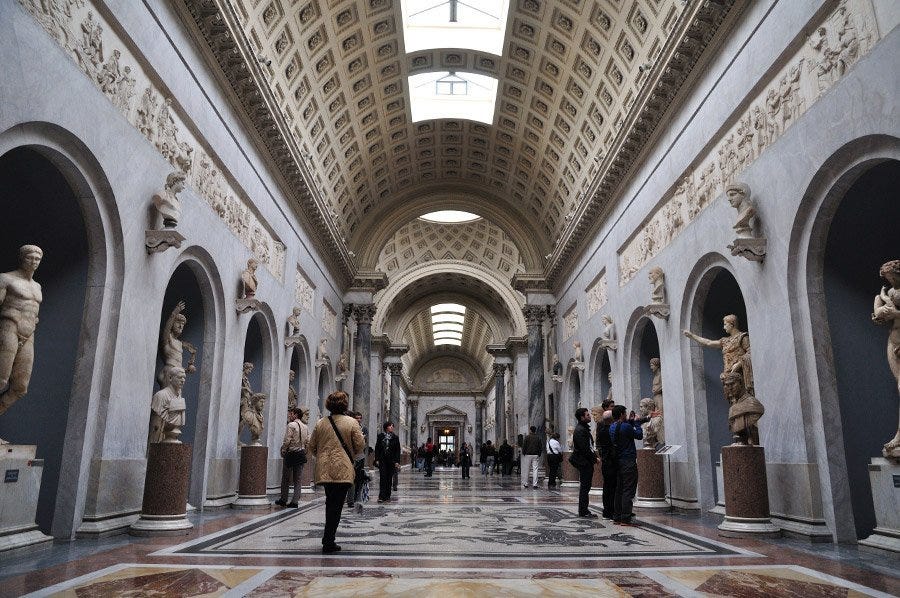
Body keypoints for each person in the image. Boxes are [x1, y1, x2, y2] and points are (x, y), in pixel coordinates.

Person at [307, 390, 365, 553]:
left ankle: (328, 538)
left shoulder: (321, 422)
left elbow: (311, 446)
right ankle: (328, 540)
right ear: (345, 405)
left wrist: (323, 455)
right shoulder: (352, 422)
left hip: (324, 467)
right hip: (343, 467)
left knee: (330, 502)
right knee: (336, 505)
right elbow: (360, 445)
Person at [0, 245, 43, 417]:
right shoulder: (6, 279)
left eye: (37, 259)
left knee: (20, 387)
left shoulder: (37, 287)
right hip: (9, 326)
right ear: (22, 258)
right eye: (29, 258)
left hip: (29, 334)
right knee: (1, 380)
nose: (33, 262)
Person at [610, 404, 643, 526]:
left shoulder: (612, 427)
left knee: (619, 490)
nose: (625, 414)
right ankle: (626, 518)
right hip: (628, 461)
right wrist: (637, 423)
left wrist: (630, 421)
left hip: (618, 462)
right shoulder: (626, 427)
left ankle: (617, 517)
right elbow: (639, 435)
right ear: (621, 414)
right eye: (624, 413)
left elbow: (623, 428)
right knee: (628, 490)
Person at [275, 407, 307, 508]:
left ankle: (283, 499)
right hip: (301, 453)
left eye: (291, 414)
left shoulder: (291, 425)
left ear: (296, 415)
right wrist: (304, 450)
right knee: (298, 479)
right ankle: (295, 501)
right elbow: (308, 441)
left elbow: (287, 440)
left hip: (291, 453)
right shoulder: (305, 426)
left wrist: (283, 450)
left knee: (286, 478)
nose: (289, 415)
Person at [571, 407, 598, 517]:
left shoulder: (583, 428)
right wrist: (594, 458)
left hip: (586, 461)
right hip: (584, 462)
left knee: (586, 486)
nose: (590, 416)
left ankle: (584, 510)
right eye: (587, 415)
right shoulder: (580, 430)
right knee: (585, 487)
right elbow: (585, 448)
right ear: (582, 417)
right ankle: (583, 511)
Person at [596, 409, 617, 519]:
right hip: (611, 462)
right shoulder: (611, 431)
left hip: (605, 461)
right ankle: (611, 510)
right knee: (612, 487)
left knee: (607, 487)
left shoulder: (601, 430)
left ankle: (606, 511)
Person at [374, 421, 401, 502]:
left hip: (391, 461)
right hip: (382, 460)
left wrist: (397, 461)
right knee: (383, 477)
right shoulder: (380, 436)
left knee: (389, 478)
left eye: (392, 426)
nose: (392, 427)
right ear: (386, 427)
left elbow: (397, 450)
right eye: (390, 426)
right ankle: (381, 496)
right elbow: (377, 448)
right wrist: (377, 459)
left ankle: (387, 496)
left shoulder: (395, 437)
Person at [346, 411, 368, 511]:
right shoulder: (350, 427)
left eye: (360, 418)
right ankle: (350, 498)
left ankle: (356, 497)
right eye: (357, 418)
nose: (358, 420)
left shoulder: (364, 428)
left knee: (359, 478)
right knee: (350, 478)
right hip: (350, 456)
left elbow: (364, 442)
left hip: (360, 456)